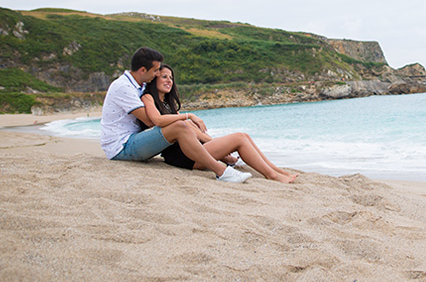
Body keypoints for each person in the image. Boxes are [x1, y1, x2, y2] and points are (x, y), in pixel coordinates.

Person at [99, 47, 248, 183]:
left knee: (182, 123)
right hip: (122, 147)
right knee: (179, 126)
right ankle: (221, 171)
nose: (157, 74)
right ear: (143, 70)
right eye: (156, 70)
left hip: (133, 140)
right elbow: (152, 121)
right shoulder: (123, 87)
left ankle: (226, 157)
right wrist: (187, 116)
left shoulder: (139, 85)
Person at [141, 64, 297, 183]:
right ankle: (272, 175)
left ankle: (275, 170)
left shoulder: (168, 104)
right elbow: (158, 120)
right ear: (154, 79)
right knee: (240, 138)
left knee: (244, 136)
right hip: (183, 156)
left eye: (171, 77)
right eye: (164, 77)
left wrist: (216, 145)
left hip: (193, 150)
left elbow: (194, 132)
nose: (169, 81)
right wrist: (189, 116)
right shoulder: (148, 98)